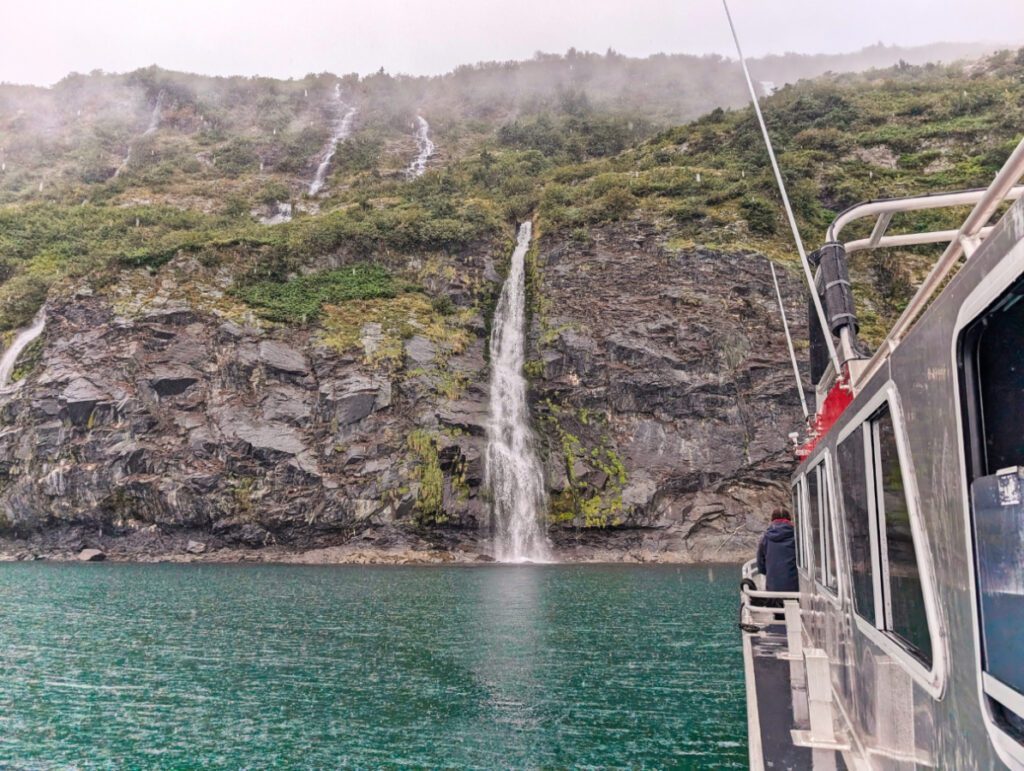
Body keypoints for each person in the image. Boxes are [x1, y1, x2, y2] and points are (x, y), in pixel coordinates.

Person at [756, 507, 798, 593]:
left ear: (772, 520)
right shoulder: (797, 536)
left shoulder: (765, 537)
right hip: (795, 587)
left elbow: (760, 564)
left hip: (773, 586)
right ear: (789, 519)